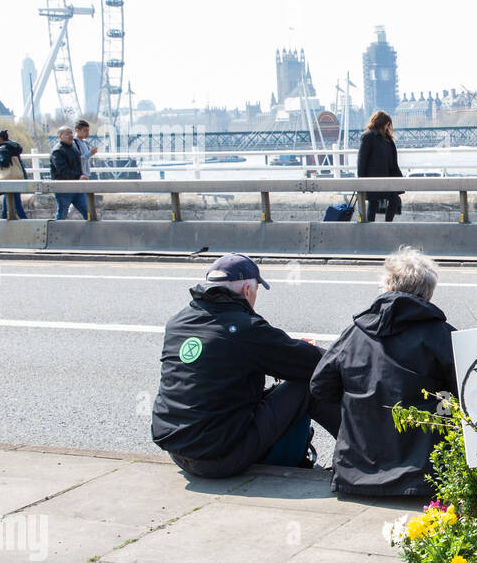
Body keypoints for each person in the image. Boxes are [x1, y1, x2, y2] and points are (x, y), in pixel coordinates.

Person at [152, 253, 341, 479]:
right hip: (220, 459)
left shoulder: (178, 321)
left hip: (179, 452)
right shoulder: (245, 328)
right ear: (247, 291)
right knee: (306, 386)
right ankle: (362, 454)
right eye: (257, 292)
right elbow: (315, 363)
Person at [310, 247, 456, 497]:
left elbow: (321, 385)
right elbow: (471, 395)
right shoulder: (443, 336)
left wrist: (361, 410)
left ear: (388, 286)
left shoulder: (355, 332)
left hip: (354, 474)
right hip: (422, 477)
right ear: (428, 294)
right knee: (448, 401)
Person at [356, 110, 404, 223]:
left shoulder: (387, 139)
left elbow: (392, 161)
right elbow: (361, 159)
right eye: (387, 124)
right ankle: (371, 228)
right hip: (372, 178)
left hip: (386, 177)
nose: (388, 126)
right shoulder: (368, 136)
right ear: (382, 123)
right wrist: (361, 179)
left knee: (394, 199)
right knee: (373, 203)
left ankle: (387, 224)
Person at [49, 125, 89, 220]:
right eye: (67, 134)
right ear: (60, 136)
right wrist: (78, 177)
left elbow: (78, 166)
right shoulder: (57, 151)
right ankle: (56, 232)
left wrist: (80, 176)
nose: (71, 135)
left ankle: (94, 231)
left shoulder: (73, 148)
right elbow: (63, 171)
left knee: (88, 212)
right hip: (63, 188)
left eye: (71, 133)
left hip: (76, 187)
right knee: (62, 213)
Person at [0, 129, 28, 220]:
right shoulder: (12, 146)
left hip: (9, 178)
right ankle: (4, 224)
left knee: (16, 205)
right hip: (17, 176)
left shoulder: (3, 148)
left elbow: (4, 162)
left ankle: (27, 225)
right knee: (8, 204)